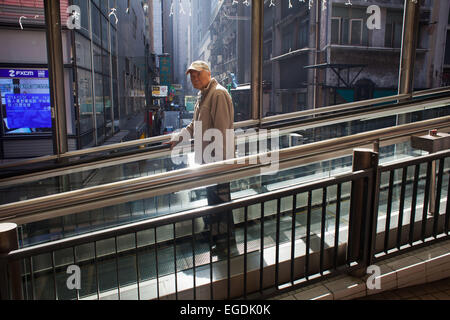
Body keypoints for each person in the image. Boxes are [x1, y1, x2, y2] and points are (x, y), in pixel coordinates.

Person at [166, 60, 236, 258]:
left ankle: (225, 244)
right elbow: (194, 127)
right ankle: (217, 238)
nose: (194, 79)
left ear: (208, 73)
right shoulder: (203, 96)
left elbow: (222, 133)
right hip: (208, 161)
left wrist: (219, 166)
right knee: (214, 202)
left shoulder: (218, 94)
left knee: (221, 204)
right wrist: (179, 137)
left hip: (217, 163)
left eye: (197, 74)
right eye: (192, 76)